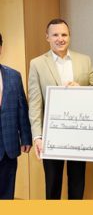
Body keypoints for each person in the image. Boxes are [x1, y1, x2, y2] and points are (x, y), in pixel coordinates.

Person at [28, 18, 93, 199]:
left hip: (79, 133)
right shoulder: (36, 64)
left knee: (77, 182)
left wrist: (81, 90)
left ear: (69, 36)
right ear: (47, 37)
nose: (60, 39)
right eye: (55, 35)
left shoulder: (85, 60)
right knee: (53, 183)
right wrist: (37, 137)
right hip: (51, 134)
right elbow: (35, 103)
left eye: (64, 34)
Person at [0, 33, 32, 199]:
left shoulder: (13, 76)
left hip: (8, 146)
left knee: (6, 195)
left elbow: (22, 108)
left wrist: (26, 137)